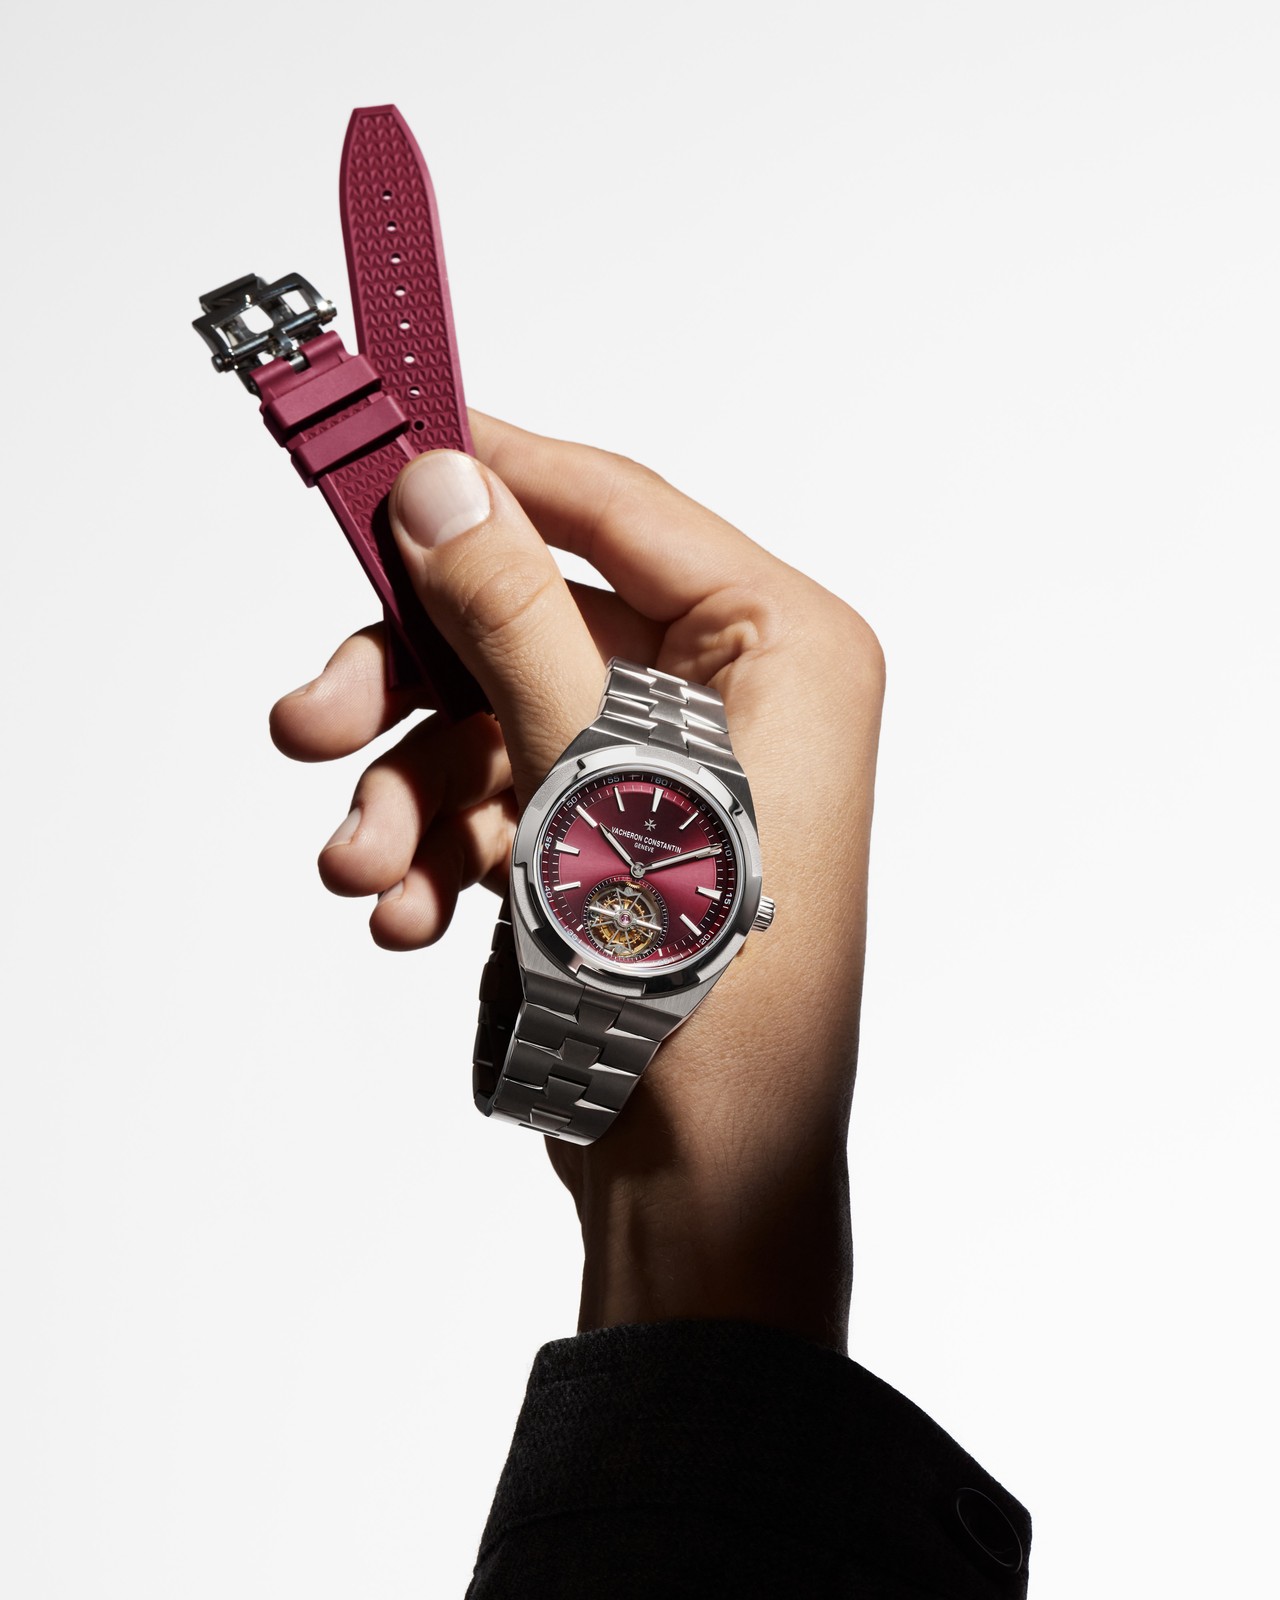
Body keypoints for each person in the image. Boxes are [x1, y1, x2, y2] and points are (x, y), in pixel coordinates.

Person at [269, 413, 1032, 1596]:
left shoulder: (712, 887)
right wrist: (709, 1271)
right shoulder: (675, 866)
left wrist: (699, 1257)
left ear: (743, 909)